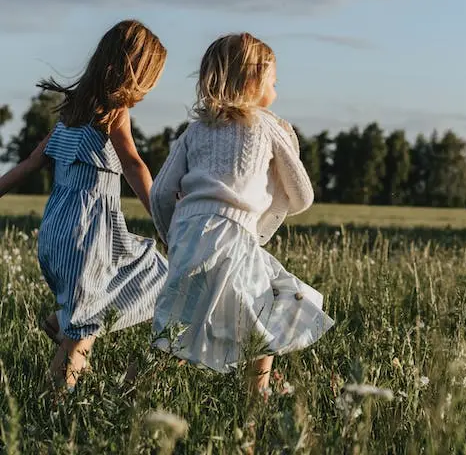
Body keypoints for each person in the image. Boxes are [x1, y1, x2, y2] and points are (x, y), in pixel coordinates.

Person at [149, 32, 334, 399]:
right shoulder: (267, 125)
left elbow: (159, 193)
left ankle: (138, 394)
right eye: (273, 82)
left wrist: (175, 239)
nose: (276, 92)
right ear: (253, 82)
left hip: (189, 236)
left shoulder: (194, 131)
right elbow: (303, 195)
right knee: (272, 309)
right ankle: (257, 397)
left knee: (177, 329)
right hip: (234, 236)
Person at [0, 20, 170, 390]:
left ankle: (62, 323)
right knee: (93, 320)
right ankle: (54, 404)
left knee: (141, 268)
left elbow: (30, 164)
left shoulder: (70, 113)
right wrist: (163, 219)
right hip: (89, 234)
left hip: (56, 232)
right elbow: (132, 164)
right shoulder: (115, 114)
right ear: (136, 73)